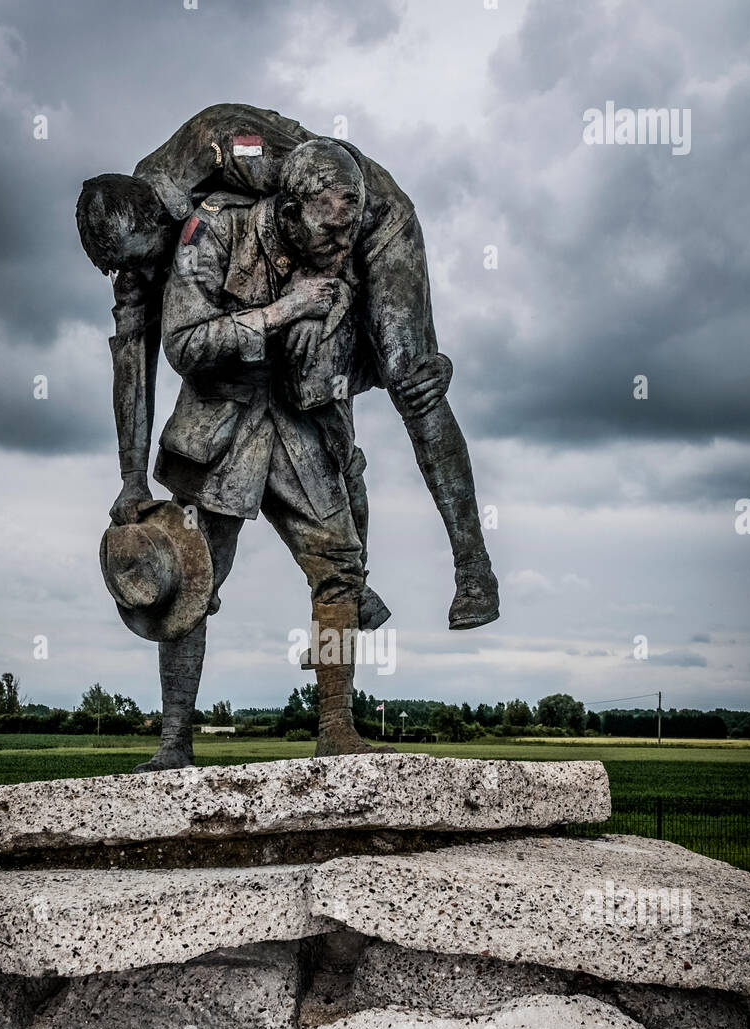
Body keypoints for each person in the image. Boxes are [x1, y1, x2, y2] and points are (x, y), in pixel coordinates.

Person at [76, 103, 499, 630]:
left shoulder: (229, 147)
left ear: (166, 219)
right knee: (303, 385)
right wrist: (132, 479)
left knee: (408, 375)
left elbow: (319, 209)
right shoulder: (137, 240)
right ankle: (351, 583)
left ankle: (474, 566)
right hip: (302, 255)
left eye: (145, 262)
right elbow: (132, 355)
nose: (140, 276)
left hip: (362, 219)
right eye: (125, 270)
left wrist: (320, 301)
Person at [132, 139, 386, 770]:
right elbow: (185, 345)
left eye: (347, 233)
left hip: (304, 426)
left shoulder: (337, 245)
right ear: (291, 208)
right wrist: (282, 313)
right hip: (219, 431)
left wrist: (331, 308)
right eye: (328, 232)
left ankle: (336, 727)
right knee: (189, 573)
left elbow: (357, 310)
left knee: (339, 567)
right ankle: (174, 742)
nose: (339, 247)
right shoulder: (212, 230)